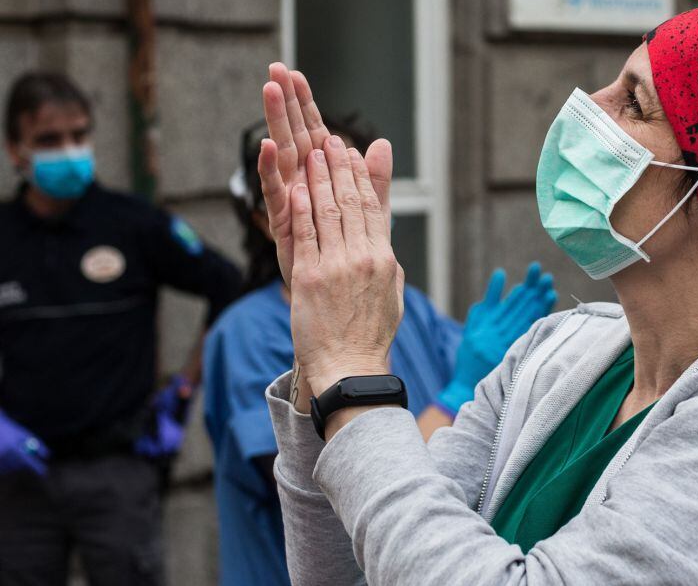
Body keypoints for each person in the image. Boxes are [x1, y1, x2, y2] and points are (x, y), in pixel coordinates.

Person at [260, 5, 698, 584]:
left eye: (633, 102)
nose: (587, 107)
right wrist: (322, 356)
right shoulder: (555, 353)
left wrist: (357, 382)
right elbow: (366, 567)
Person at [203, 104, 557, 586]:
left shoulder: (404, 305)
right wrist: (456, 395)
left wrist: (505, 379)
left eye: (350, 182)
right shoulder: (249, 333)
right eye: (316, 188)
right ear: (266, 219)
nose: (337, 204)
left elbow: (479, 452)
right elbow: (332, 494)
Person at [0, 72, 243, 585]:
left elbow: (227, 287)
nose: (68, 151)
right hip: (21, 476)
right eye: (48, 140)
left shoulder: (133, 224)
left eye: (79, 135)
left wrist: (182, 389)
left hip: (118, 468)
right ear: (15, 150)